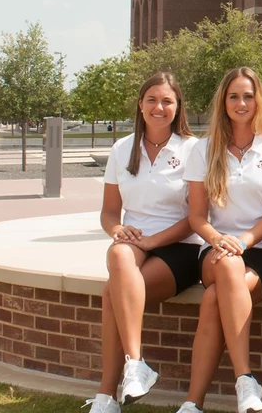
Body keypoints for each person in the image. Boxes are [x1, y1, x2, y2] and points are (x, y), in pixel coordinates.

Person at [179, 67, 262, 413]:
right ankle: (244, 379)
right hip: (216, 250)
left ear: (259, 100)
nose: (241, 103)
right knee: (228, 266)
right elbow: (197, 217)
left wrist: (241, 242)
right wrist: (220, 240)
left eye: (248, 95)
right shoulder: (203, 150)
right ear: (223, 102)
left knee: (214, 300)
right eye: (234, 96)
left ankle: (192, 402)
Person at [85, 72, 199, 413]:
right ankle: (135, 363)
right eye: (152, 100)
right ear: (140, 104)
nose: (159, 107)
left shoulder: (194, 149)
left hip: (180, 247)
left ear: (178, 107)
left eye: (167, 101)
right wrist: (117, 230)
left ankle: (107, 394)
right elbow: (109, 213)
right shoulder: (122, 148)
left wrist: (153, 241)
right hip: (134, 245)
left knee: (111, 293)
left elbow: (196, 217)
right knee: (118, 253)